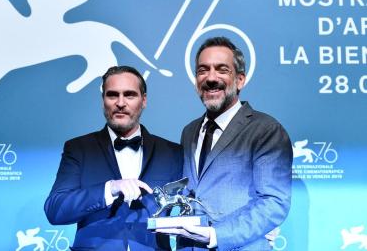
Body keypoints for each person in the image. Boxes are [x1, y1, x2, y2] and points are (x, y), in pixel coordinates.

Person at [157, 37, 293, 250]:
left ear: (240, 80)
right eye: (203, 70)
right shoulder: (189, 131)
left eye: (221, 70)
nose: (211, 78)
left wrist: (216, 235)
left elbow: (274, 203)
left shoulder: (266, 130)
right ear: (196, 81)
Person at [44, 66, 183, 251]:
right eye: (112, 95)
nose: (120, 103)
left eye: (129, 95)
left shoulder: (172, 152)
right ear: (103, 101)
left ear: (144, 101)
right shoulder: (79, 149)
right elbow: (55, 210)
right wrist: (109, 189)